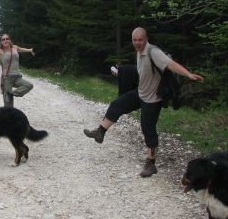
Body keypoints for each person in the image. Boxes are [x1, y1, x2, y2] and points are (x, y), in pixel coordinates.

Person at [83, 27, 204, 177]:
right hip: (141, 93)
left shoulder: (153, 52)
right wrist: (121, 72)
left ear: (146, 39)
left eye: (140, 40)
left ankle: (151, 163)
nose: (137, 43)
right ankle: (100, 132)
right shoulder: (139, 53)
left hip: (153, 99)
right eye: (135, 40)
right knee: (117, 105)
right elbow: (141, 71)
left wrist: (188, 74)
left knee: (148, 128)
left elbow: (170, 64)